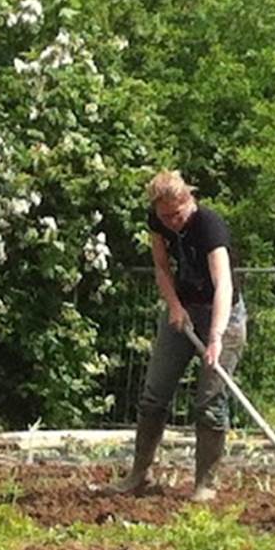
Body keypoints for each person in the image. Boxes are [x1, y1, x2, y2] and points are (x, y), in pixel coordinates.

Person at [108, 170, 247, 502]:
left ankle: (205, 484)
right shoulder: (158, 221)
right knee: (153, 396)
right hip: (183, 311)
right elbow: (161, 267)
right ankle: (139, 475)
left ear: (189, 200)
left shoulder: (209, 226)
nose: (171, 222)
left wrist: (215, 337)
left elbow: (224, 285)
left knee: (210, 402)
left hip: (222, 315)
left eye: (177, 214)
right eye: (164, 216)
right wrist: (173, 305)